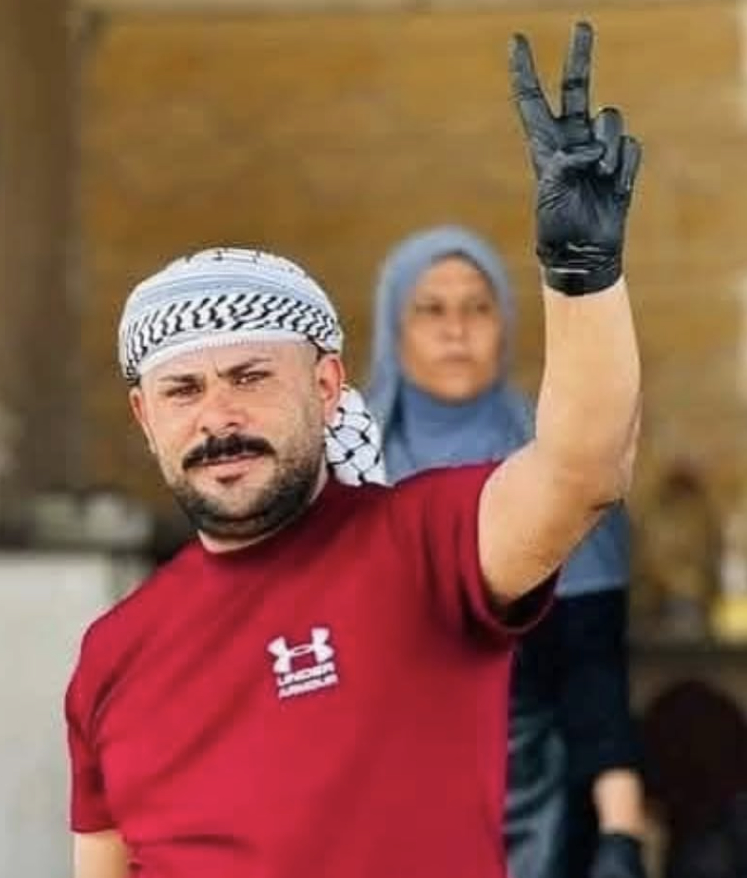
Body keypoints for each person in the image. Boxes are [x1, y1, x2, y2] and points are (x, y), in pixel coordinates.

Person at [65, 21, 644, 878]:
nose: (218, 416)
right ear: (144, 417)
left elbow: (583, 469)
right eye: (183, 391)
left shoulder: (423, 544)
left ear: (329, 385)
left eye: (250, 377)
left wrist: (584, 274)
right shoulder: (114, 651)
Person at [366, 224, 648, 878]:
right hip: (372, 808)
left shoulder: (564, 469)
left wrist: (622, 832)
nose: (456, 330)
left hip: (532, 810)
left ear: (507, 325)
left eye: (478, 307)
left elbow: (593, 669)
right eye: (430, 309)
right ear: (392, 328)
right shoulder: (344, 478)